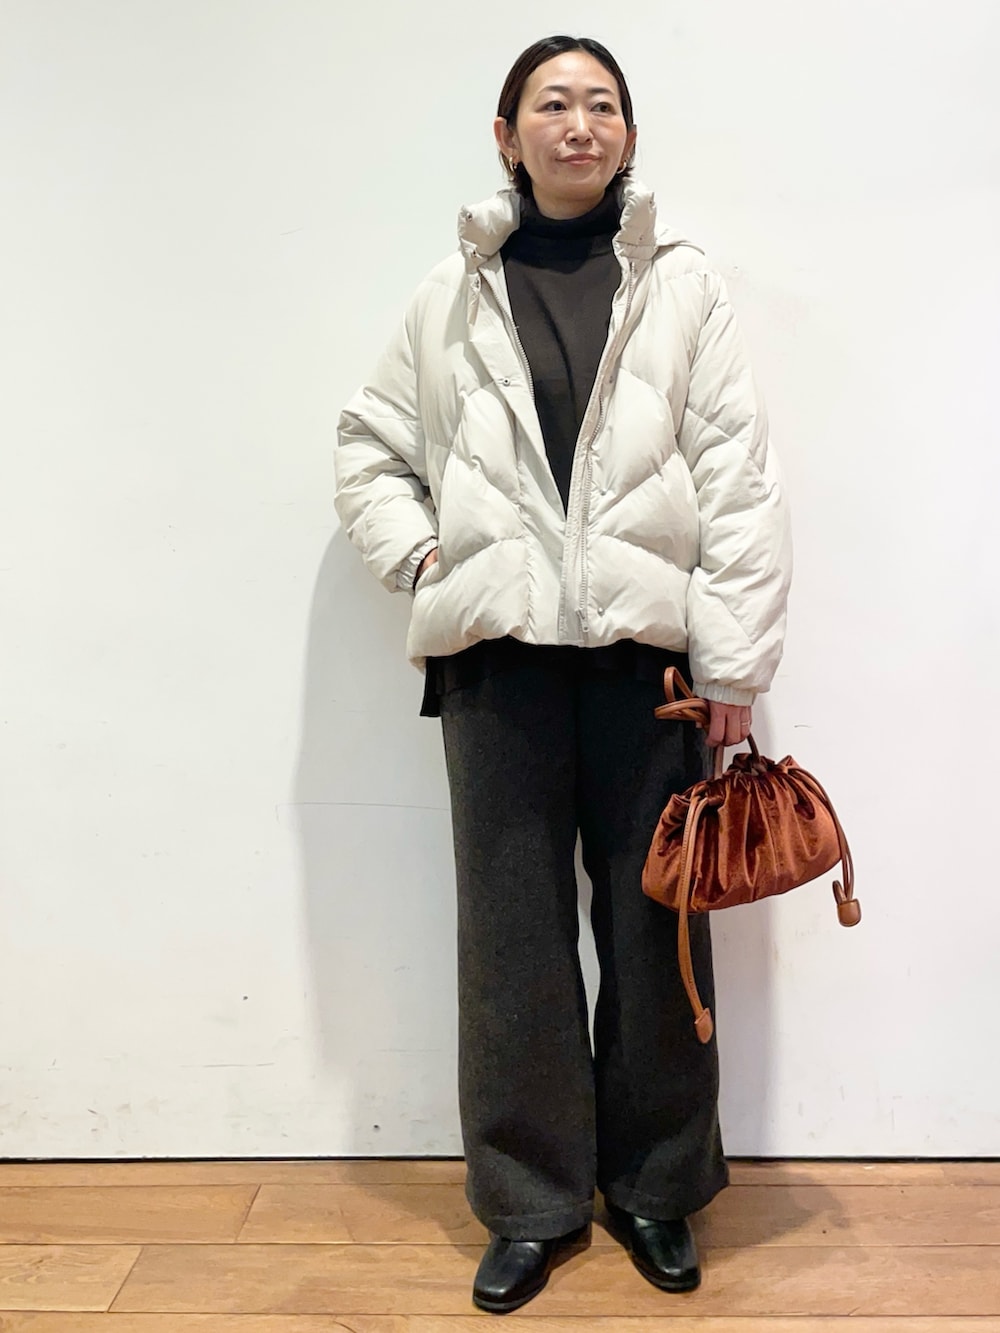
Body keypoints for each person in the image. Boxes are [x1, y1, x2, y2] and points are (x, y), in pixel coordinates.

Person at [335, 34, 792, 1314]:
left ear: (627, 134)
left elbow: (739, 482)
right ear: (507, 135)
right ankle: (531, 1203)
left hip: (651, 671)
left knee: (656, 934)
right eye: (551, 103)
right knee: (511, 945)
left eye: (600, 104)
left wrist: (733, 660)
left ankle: (654, 1188)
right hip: (498, 673)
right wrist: (424, 555)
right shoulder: (451, 292)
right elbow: (368, 444)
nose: (577, 124)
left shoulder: (680, 288)